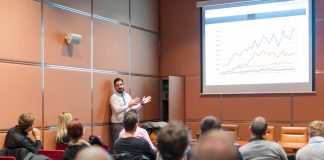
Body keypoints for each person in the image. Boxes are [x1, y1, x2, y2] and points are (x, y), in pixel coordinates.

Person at [110, 78, 151, 146]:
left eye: (121, 84)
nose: (120, 86)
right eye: (117, 85)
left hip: (128, 124)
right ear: (114, 87)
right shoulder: (113, 97)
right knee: (118, 145)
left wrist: (142, 104)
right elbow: (116, 110)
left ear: (124, 85)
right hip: (117, 125)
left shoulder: (127, 96)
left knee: (128, 145)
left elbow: (133, 109)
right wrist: (129, 104)